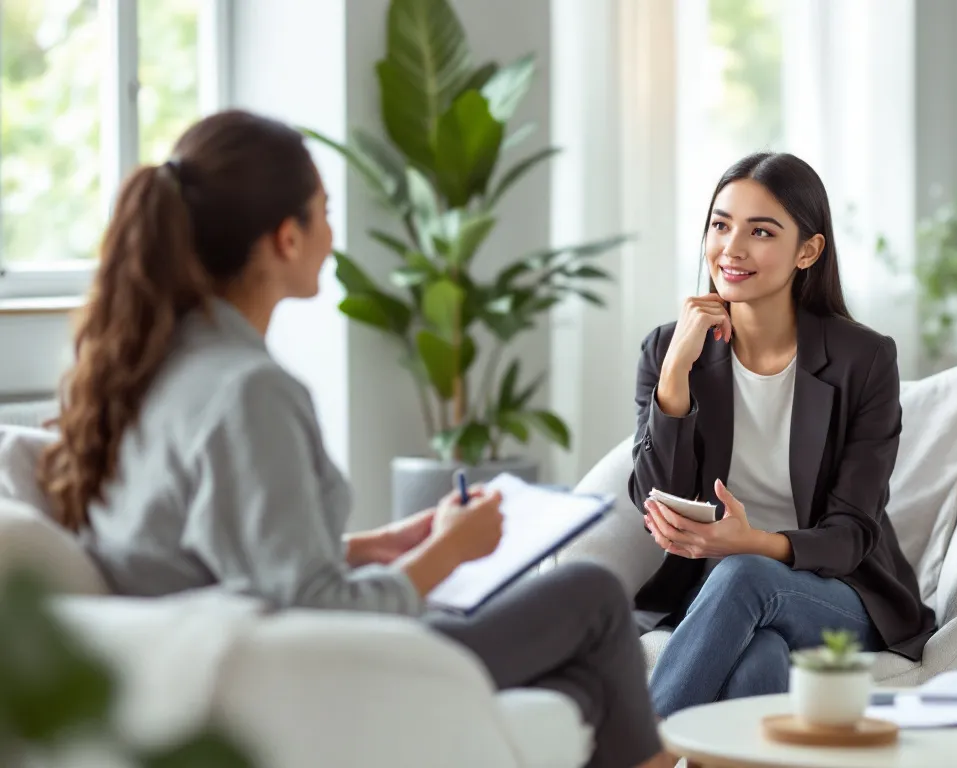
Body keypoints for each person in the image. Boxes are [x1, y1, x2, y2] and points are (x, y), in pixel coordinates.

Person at [37, 109, 672, 768]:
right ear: (287, 237)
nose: (333, 234)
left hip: (220, 662)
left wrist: (376, 547)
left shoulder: (144, 367)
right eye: (325, 211)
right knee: (593, 597)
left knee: (584, 687)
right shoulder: (249, 391)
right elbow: (312, 604)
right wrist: (448, 551)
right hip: (308, 675)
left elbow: (227, 553)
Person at [628, 152, 938, 717]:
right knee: (759, 660)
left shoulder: (863, 359)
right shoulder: (669, 350)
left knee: (747, 573)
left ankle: (640, 756)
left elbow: (853, 532)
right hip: (713, 594)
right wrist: (674, 376)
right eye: (720, 225)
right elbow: (654, 495)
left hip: (836, 591)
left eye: (761, 231)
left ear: (807, 251)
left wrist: (753, 545)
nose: (733, 248)